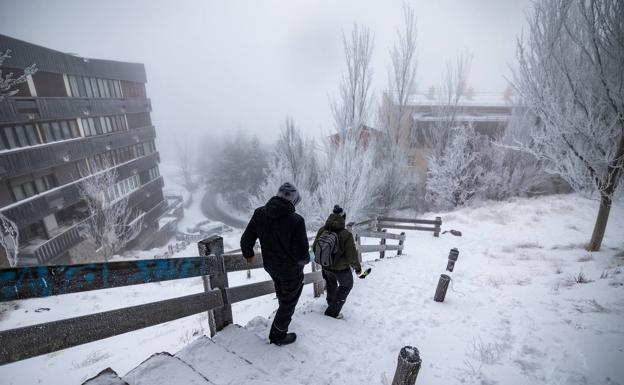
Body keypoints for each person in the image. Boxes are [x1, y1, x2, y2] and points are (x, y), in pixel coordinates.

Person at [240, 182, 309, 346]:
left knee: (283, 293)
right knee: (290, 300)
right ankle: (278, 334)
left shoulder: (260, 213)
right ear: (294, 201)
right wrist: (307, 260)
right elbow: (301, 254)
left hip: (271, 266)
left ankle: (281, 319)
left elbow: (246, 239)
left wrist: (248, 253)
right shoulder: (296, 220)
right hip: (291, 270)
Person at [312, 205, 362, 319]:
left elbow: (314, 247)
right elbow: (352, 256)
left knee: (331, 284)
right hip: (341, 269)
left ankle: (331, 303)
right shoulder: (346, 234)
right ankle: (332, 311)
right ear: (343, 218)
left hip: (325, 266)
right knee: (346, 286)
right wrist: (357, 268)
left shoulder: (322, 230)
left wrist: (325, 259)